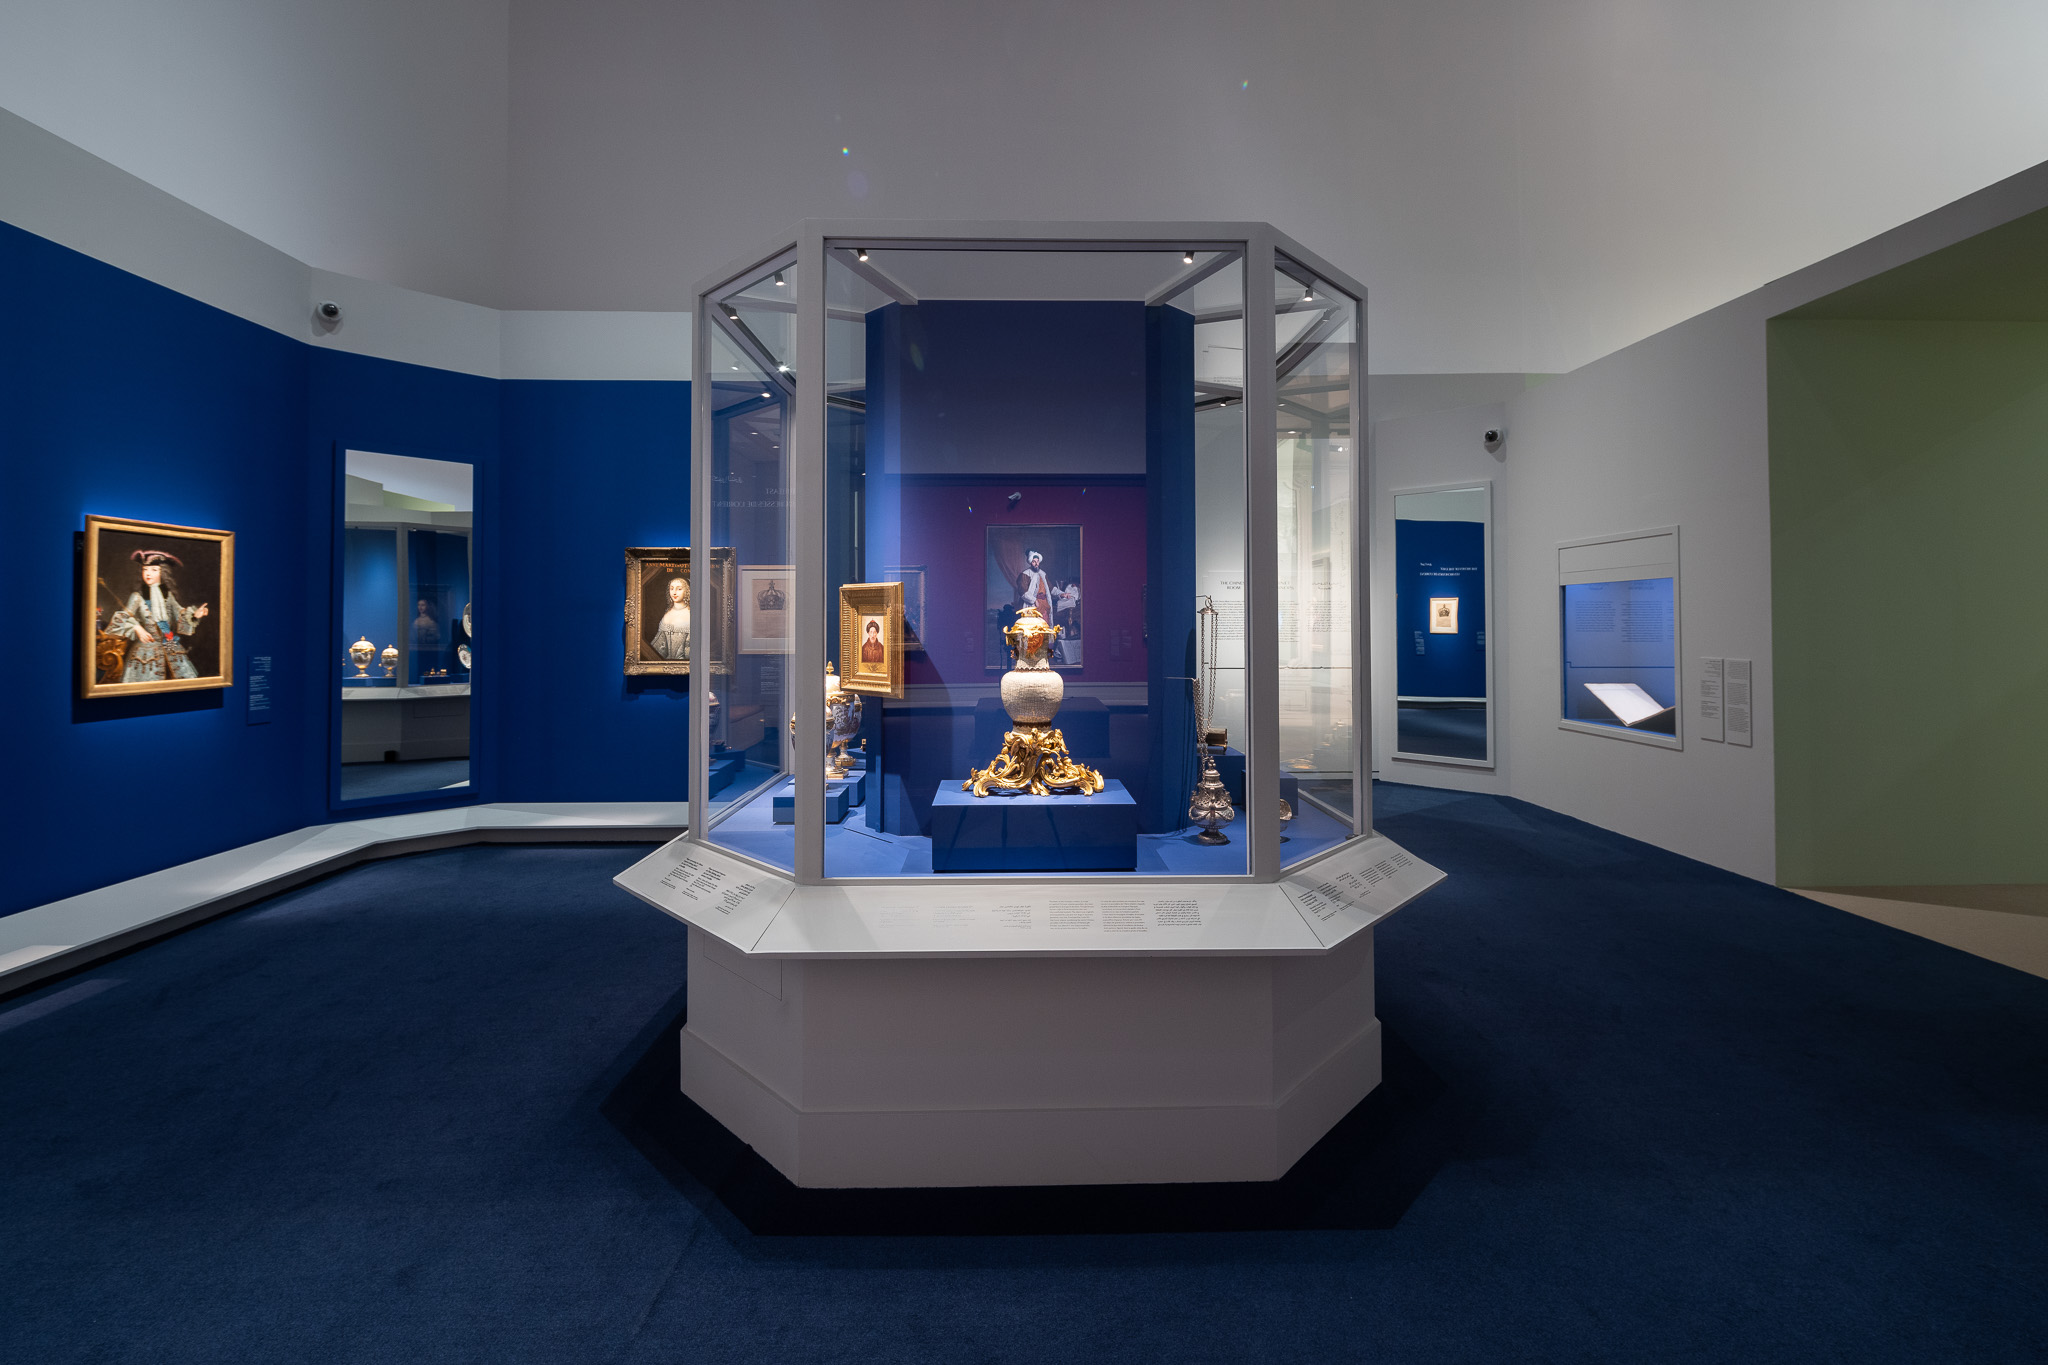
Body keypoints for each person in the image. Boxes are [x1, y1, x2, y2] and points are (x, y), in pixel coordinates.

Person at [108, 549, 208, 683]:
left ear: (162, 572)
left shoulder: (168, 596)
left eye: (154, 570)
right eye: (145, 569)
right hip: (145, 656)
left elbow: (181, 615)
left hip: (171, 648)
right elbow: (121, 618)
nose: (148, 574)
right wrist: (136, 627)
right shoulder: (137, 597)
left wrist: (195, 615)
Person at [652, 576, 691, 661]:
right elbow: (658, 646)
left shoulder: (691, 614)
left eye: (679, 589)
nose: (674, 592)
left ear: (687, 591)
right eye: (672, 588)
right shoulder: (667, 614)